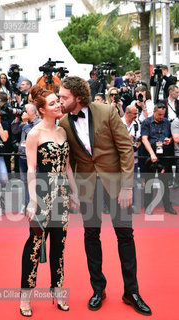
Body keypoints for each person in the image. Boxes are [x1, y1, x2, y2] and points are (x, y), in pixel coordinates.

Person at [59, 76, 151, 316]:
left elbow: (125, 149)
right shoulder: (63, 123)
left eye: (63, 97)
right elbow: (68, 161)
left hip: (116, 184)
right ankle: (98, 289)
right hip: (87, 186)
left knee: (125, 236)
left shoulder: (107, 111)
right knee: (91, 236)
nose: (60, 100)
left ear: (78, 97)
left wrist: (127, 186)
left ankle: (131, 291)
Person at [20, 85, 80, 317]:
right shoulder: (34, 134)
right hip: (43, 197)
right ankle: (26, 296)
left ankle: (58, 289)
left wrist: (74, 192)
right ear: (42, 109)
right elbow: (31, 170)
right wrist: (33, 201)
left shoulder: (63, 132)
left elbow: (67, 167)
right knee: (34, 246)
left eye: (59, 101)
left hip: (62, 197)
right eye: (54, 103)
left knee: (59, 245)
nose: (59, 105)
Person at [141, 103, 177, 215]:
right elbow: (144, 139)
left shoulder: (167, 122)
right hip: (150, 154)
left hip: (164, 154)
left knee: (165, 181)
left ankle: (167, 206)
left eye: (163, 114)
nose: (161, 116)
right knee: (149, 182)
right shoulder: (146, 122)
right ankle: (148, 206)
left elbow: (172, 136)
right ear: (154, 112)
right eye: (159, 114)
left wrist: (169, 140)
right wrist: (152, 154)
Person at [11, 103, 41, 214]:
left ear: (33, 112)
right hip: (22, 156)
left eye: (26, 110)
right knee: (24, 181)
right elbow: (14, 131)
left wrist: (25, 123)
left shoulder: (39, 123)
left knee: (34, 181)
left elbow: (33, 134)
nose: (23, 112)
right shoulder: (25, 123)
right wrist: (17, 119)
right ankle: (26, 204)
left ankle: (36, 205)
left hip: (33, 157)